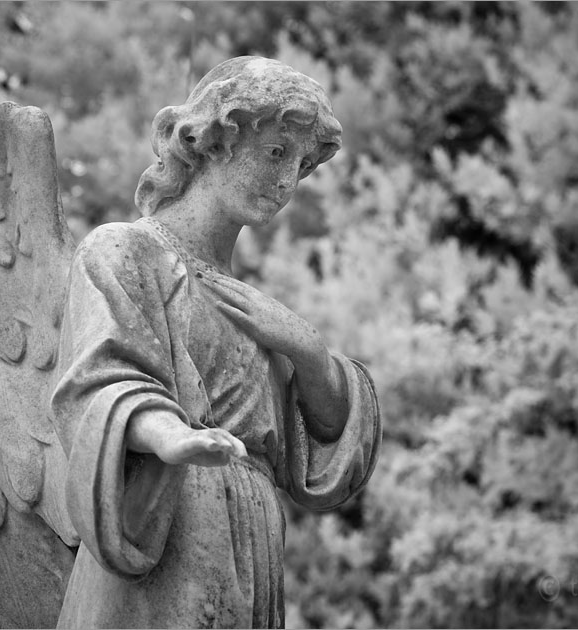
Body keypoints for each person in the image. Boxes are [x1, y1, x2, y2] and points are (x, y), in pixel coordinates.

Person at [50, 56, 381, 628]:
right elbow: (99, 388)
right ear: (210, 142)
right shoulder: (124, 252)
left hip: (249, 538)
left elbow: (326, 440)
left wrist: (308, 351)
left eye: (300, 164)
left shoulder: (254, 308)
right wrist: (172, 438)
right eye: (275, 152)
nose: (286, 181)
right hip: (168, 523)